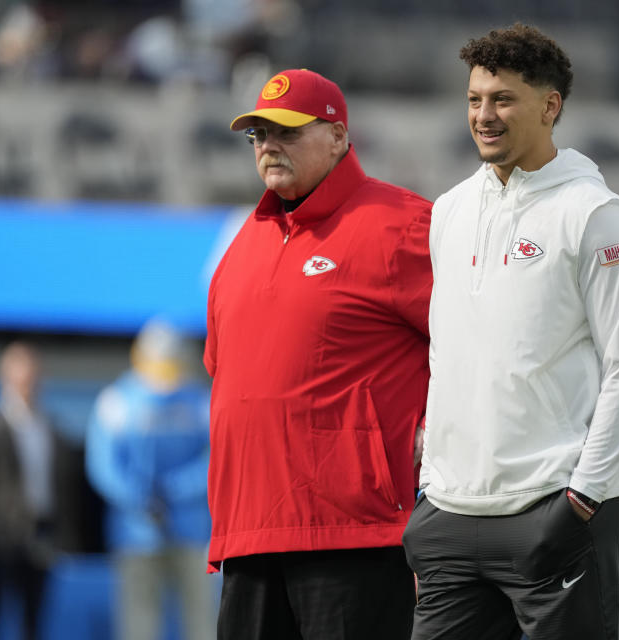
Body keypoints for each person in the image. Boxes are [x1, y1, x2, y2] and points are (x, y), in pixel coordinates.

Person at [402, 23, 619, 640]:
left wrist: (585, 495)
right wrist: (429, 489)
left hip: (556, 505)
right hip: (451, 511)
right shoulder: (448, 210)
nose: (484, 116)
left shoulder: (598, 214)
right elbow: (448, 355)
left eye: (502, 99)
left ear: (550, 106)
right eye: (474, 100)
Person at [205, 68, 433, 640]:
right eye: (257, 135)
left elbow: (478, 345)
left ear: (337, 136)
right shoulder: (242, 244)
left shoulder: (401, 224)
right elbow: (223, 371)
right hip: (247, 530)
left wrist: (434, 430)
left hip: (354, 531)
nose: (268, 146)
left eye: (286, 131)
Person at [85, 318, 214, 640]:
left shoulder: (197, 399)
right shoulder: (117, 400)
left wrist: (170, 491)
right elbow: (102, 466)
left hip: (190, 533)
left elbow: (215, 458)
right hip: (138, 534)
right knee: (139, 626)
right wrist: (142, 497)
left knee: (201, 622)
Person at [0, 342, 90, 640]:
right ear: (6, 377)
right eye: (20, 374)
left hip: (41, 538)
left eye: (32, 374)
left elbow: (63, 487)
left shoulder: (50, 428)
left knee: (33, 622)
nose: (28, 382)